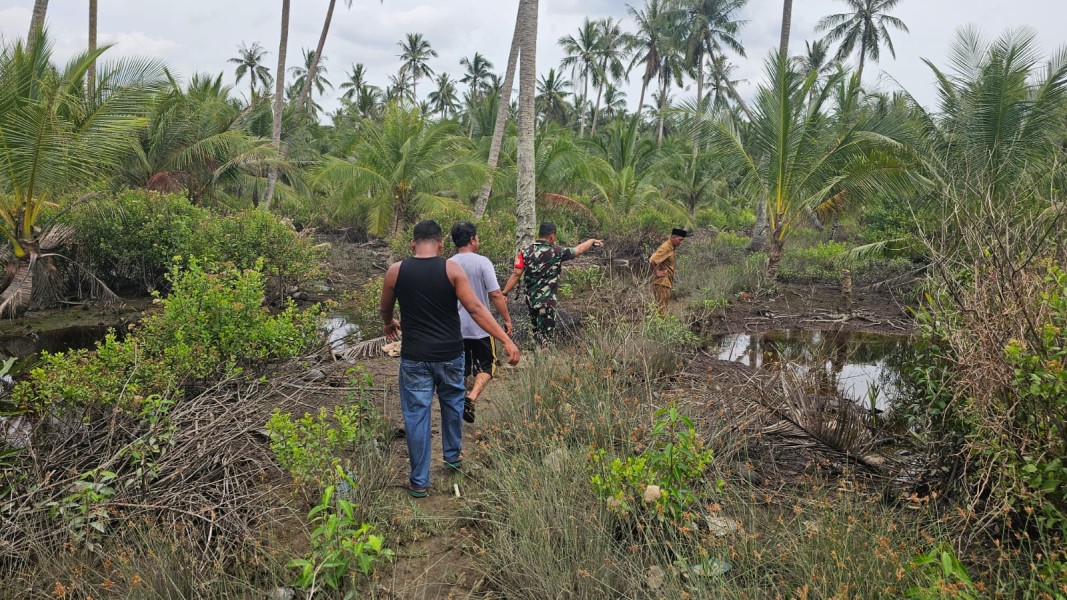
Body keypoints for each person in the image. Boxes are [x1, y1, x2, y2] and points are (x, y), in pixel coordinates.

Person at [380, 220, 520, 498]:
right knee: (453, 404)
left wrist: (389, 323)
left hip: (415, 358)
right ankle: (452, 456)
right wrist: (505, 339)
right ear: (441, 245)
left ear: (412, 244)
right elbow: (477, 309)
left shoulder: (396, 271)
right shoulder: (451, 269)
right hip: (450, 354)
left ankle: (419, 482)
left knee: (416, 416)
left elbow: (384, 309)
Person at [448, 222, 512, 424]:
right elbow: (495, 294)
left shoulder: (448, 263)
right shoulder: (483, 262)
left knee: (461, 369)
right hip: (481, 327)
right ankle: (471, 398)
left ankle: (457, 405)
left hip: (456, 329)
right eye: (478, 238)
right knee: (487, 366)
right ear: (472, 239)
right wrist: (506, 319)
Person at [502, 222, 602, 344]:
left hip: (531, 301)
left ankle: (536, 355)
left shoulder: (525, 252)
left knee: (536, 332)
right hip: (546, 302)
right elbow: (579, 249)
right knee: (546, 338)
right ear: (552, 236)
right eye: (555, 237)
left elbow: (516, 273)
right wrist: (591, 241)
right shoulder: (557, 252)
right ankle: (543, 358)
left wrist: (505, 293)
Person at [649, 228, 687, 314]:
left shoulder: (671, 247)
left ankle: (659, 325)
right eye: (679, 240)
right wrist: (656, 272)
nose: (681, 242)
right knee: (662, 309)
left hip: (664, 282)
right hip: (662, 282)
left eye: (682, 240)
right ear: (673, 237)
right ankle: (662, 326)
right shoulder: (666, 247)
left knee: (661, 307)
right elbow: (652, 260)